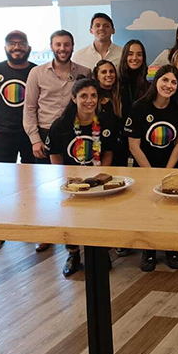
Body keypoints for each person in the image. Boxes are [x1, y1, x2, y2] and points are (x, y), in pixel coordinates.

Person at [23, 30, 90, 252]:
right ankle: (48, 234)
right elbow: (29, 108)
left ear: (73, 46)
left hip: (76, 136)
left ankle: (79, 233)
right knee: (47, 190)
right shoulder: (37, 73)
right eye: (58, 45)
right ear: (51, 46)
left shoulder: (84, 72)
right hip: (44, 136)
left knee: (77, 188)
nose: (63, 48)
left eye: (67, 44)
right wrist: (35, 140)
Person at [46, 78, 119, 277]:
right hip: (71, 182)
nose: (89, 100)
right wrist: (63, 179)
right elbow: (54, 153)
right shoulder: (61, 125)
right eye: (84, 96)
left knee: (99, 216)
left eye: (93, 96)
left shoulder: (106, 123)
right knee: (70, 218)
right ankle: (73, 254)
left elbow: (108, 152)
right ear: (73, 98)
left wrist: (100, 177)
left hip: (97, 179)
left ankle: (100, 251)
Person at [0, 30, 37, 253]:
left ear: (28, 47)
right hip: (4, 134)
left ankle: (35, 229)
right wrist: (1, 115)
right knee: (2, 184)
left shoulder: (35, 71)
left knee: (33, 184)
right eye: (12, 44)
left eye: (21, 43)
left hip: (31, 134)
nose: (16, 47)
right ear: (5, 47)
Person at [126, 65, 178, 272]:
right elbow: (133, 145)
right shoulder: (139, 107)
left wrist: (167, 171)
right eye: (165, 80)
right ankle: (148, 250)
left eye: (174, 82)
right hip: (145, 167)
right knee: (148, 210)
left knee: (171, 210)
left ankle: (171, 248)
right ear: (156, 81)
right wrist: (151, 172)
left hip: (170, 167)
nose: (169, 86)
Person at [117, 40, 150, 165]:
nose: (135, 58)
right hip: (120, 136)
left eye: (139, 54)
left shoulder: (150, 80)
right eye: (130, 54)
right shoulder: (117, 79)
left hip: (142, 137)